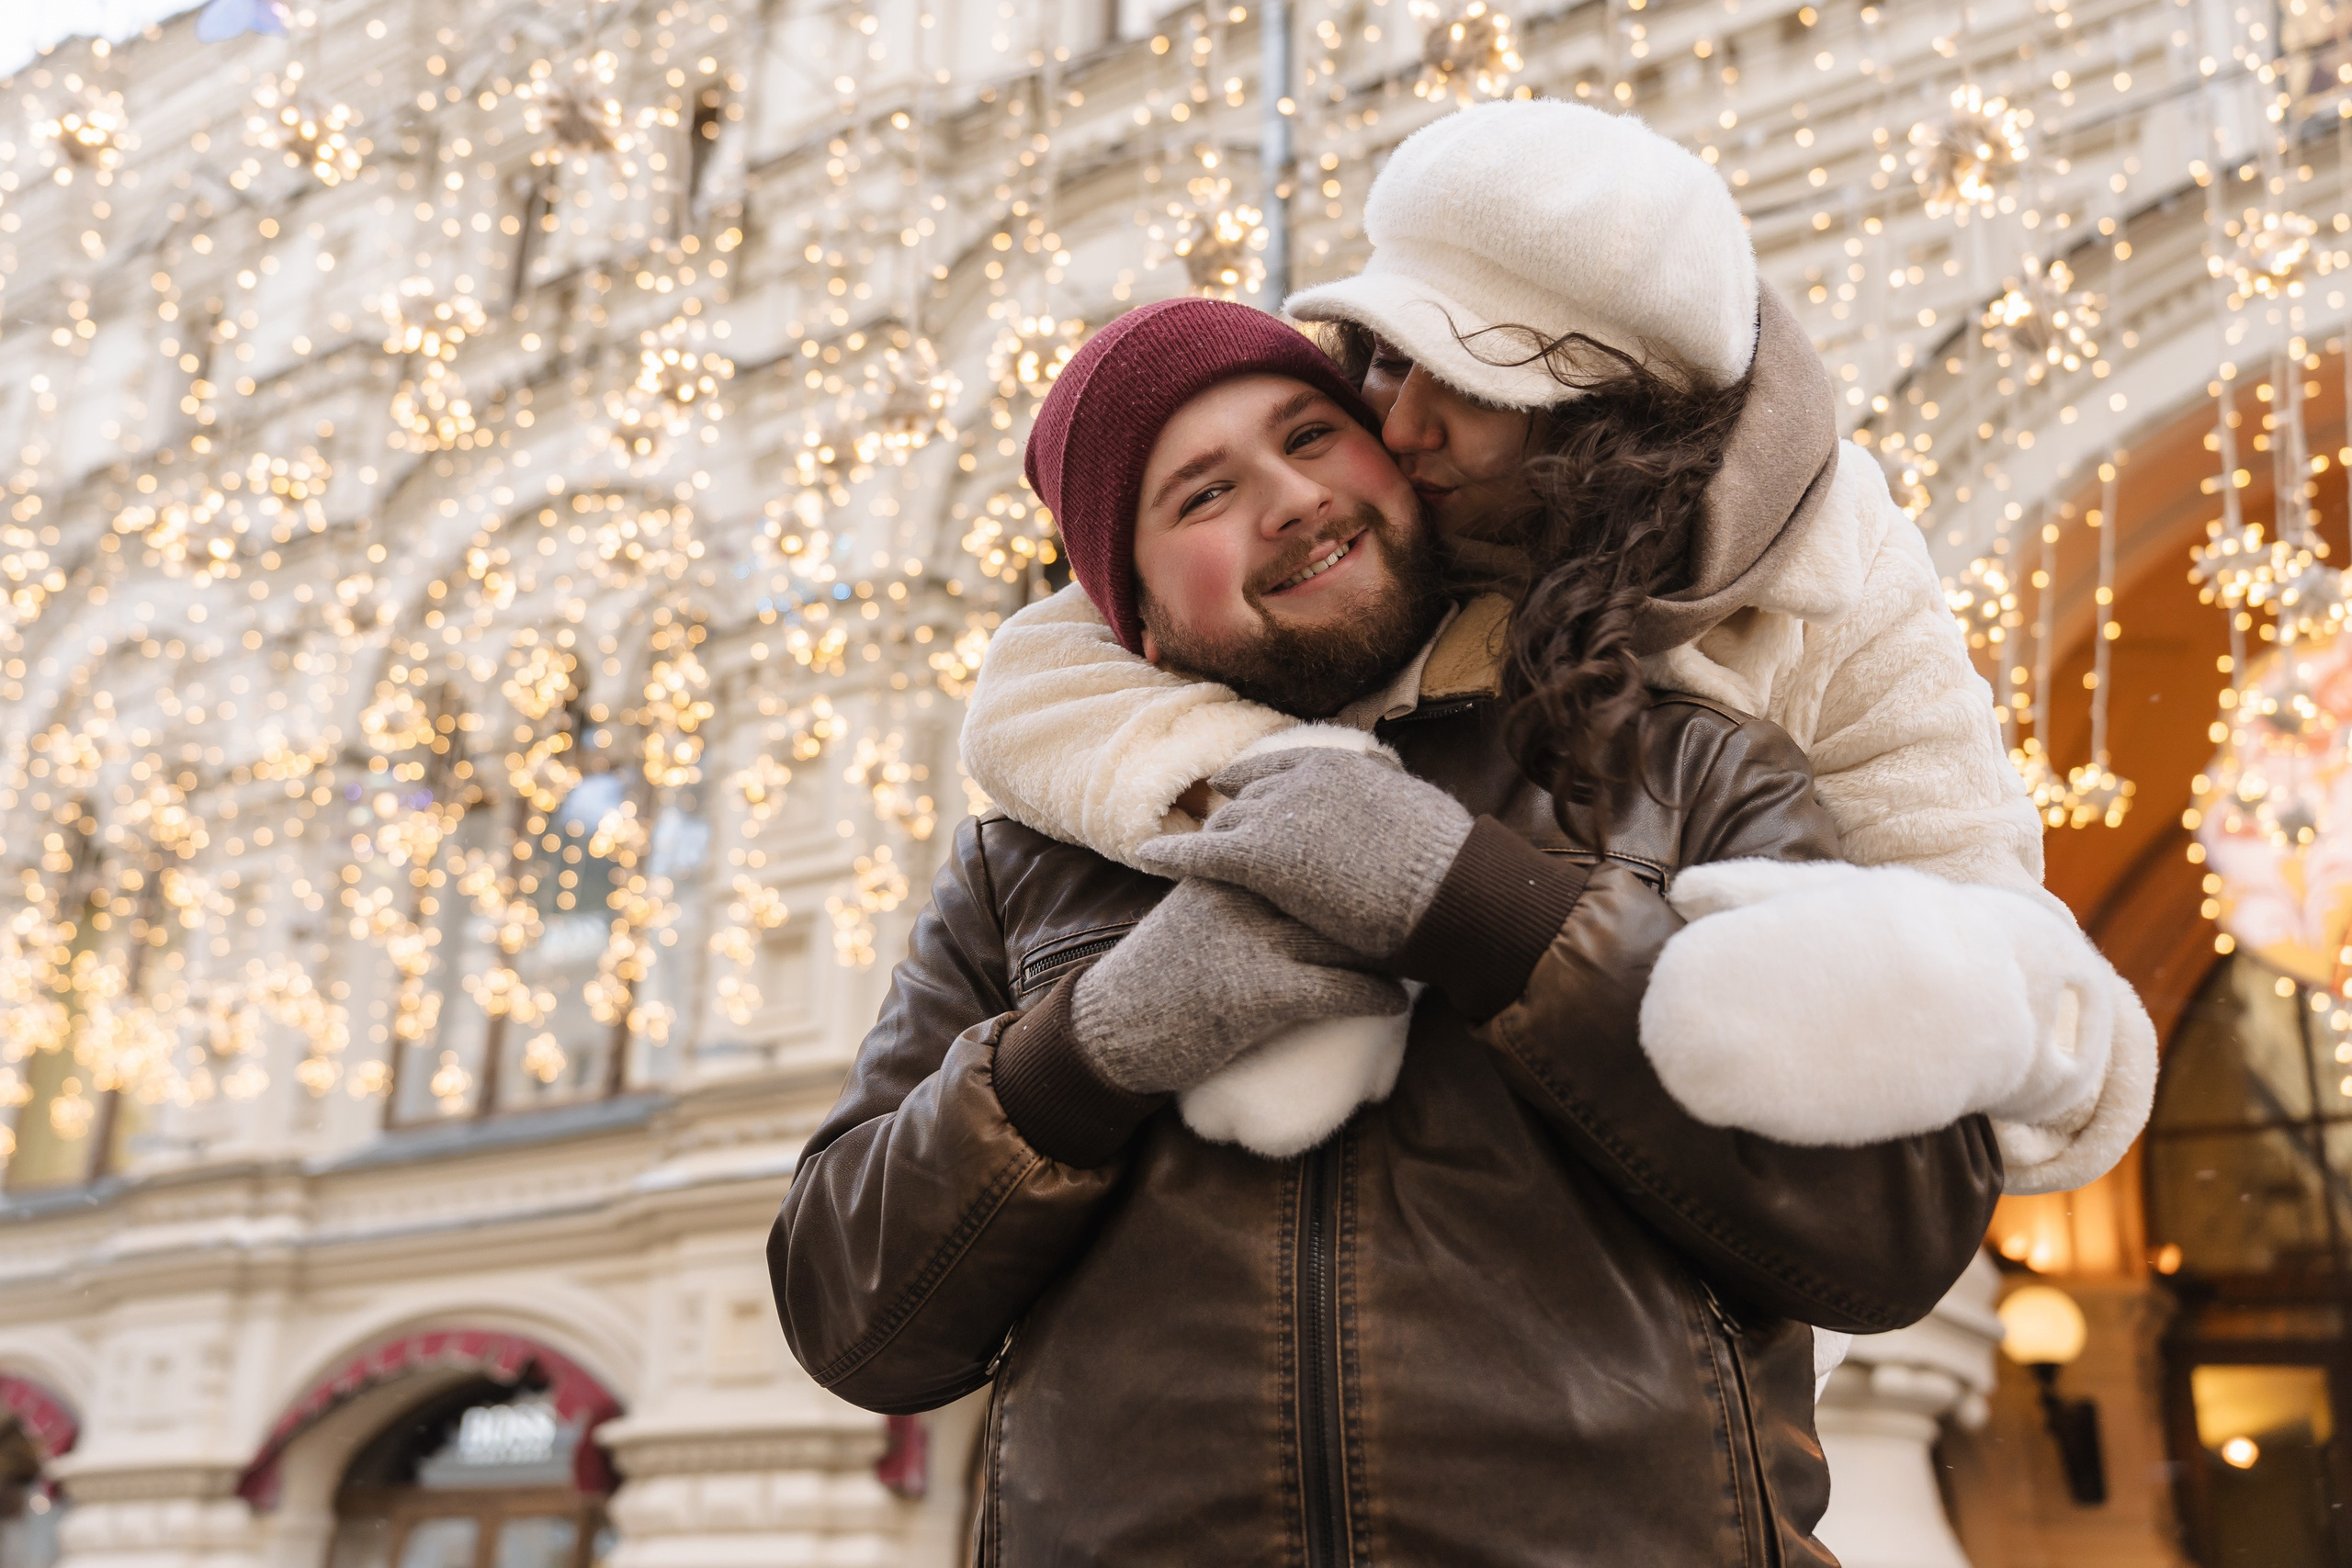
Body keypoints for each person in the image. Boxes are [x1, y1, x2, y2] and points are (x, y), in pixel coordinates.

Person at [770, 299, 2000, 1563]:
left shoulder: (1681, 767)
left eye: (1311, 435)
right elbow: (850, 1316)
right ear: (1128, 607)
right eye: (1200, 496)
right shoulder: (1025, 868)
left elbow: (1899, 1219)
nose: (1292, 499)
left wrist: (1488, 908)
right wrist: (1090, 1046)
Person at [961, 97, 2154, 1199]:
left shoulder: (1829, 580)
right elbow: (1044, 678)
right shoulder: (1372, 505)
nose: (1402, 420)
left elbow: (2025, 991)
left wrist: (1828, 995)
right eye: (1383, 355)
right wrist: (1277, 799)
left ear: (1604, 418)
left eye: (1472, 381)